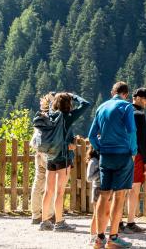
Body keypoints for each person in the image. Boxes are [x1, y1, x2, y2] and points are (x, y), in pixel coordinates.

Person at [88, 81, 138, 249]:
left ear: (112, 92)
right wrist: (133, 151)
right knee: (119, 196)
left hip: (105, 156)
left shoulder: (101, 107)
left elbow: (92, 135)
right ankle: (113, 238)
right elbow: (131, 131)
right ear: (126, 94)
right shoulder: (127, 107)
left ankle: (99, 238)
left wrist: (100, 148)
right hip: (122, 155)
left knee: (104, 195)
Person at [38, 92, 91, 231]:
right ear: (68, 104)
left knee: (48, 191)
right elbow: (86, 104)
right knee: (60, 191)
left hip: (50, 156)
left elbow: (50, 107)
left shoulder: (50, 115)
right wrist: (72, 95)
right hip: (64, 157)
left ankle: (44, 221)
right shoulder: (68, 117)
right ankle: (59, 222)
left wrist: (55, 99)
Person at [123, 87, 146, 233]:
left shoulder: (123, 110)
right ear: (136, 98)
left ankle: (117, 221)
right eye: (145, 99)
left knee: (120, 188)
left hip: (120, 152)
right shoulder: (139, 114)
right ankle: (130, 221)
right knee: (134, 189)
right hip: (136, 156)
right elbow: (142, 139)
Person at [29, 91, 56, 225]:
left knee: (38, 181)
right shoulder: (53, 118)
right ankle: (50, 214)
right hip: (48, 153)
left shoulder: (39, 116)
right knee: (50, 184)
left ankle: (35, 214)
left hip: (38, 152)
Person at [87, 149, 103, 247]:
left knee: (103, 214)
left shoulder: (103, 159)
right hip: (97, 189)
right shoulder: (93, 161)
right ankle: (92, 237)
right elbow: (89, 178)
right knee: (96, 214)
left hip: (105, 188)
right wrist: (100, 171)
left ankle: (101, 236)